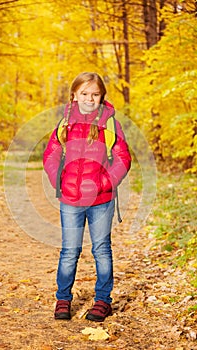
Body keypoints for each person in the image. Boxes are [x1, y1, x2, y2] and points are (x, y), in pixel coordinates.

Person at [43, 72, 131, 322]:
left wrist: (105, 182)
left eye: (95, 94)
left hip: (101, 200)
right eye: (84, 94)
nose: (89, 99)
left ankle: (103, 301)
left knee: (102, 250)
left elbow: (123, 157)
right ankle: (63, 298)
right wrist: (58, 180)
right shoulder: (65, 124)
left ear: (102, 97)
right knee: (69, 251)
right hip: (70, 200)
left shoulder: (110, 124)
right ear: (74, 95)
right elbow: (51, 154)